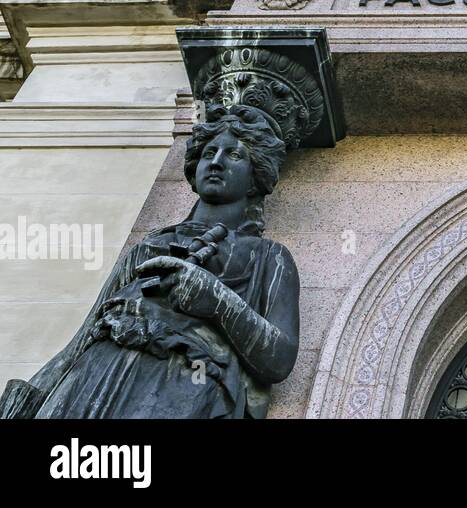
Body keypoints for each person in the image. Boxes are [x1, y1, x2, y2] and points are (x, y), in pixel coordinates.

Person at [0, 104, 299, 418]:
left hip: (182, 383)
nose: (216, 162)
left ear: (255, 178)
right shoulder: (147, 247)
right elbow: (83, 338)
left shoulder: (270, 257)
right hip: (95, 372)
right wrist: (31, 397)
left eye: (234, 155)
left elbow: (279, 358)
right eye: (209, 152)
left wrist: (216, 299)